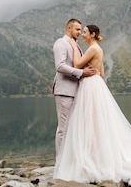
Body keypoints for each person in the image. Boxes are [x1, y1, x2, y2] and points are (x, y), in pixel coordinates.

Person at [53, 24, 131, 187]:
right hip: (96, 84)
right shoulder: (99, 49)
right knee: (96, 123)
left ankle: (87, 160)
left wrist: (74, 48)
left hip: (89, 87)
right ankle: (95, 158)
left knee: (88, 123)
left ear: (93, 34)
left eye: (85, 32)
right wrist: (92, 69)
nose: (82, 34)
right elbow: (102, 73)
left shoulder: (91, 49)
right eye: (80, 31)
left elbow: (76, 65)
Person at [52, 18, 96, 162]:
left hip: (76, 92)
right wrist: (82, 73)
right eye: (77, 29)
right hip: (64, 91)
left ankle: (71, 161)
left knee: (74, 128)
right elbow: (60, 66)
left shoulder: (76, 46)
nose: (79, 32)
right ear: (68, 28)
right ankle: (60, 163)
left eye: (81, 30)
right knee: (63, 129)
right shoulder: (61, 43)